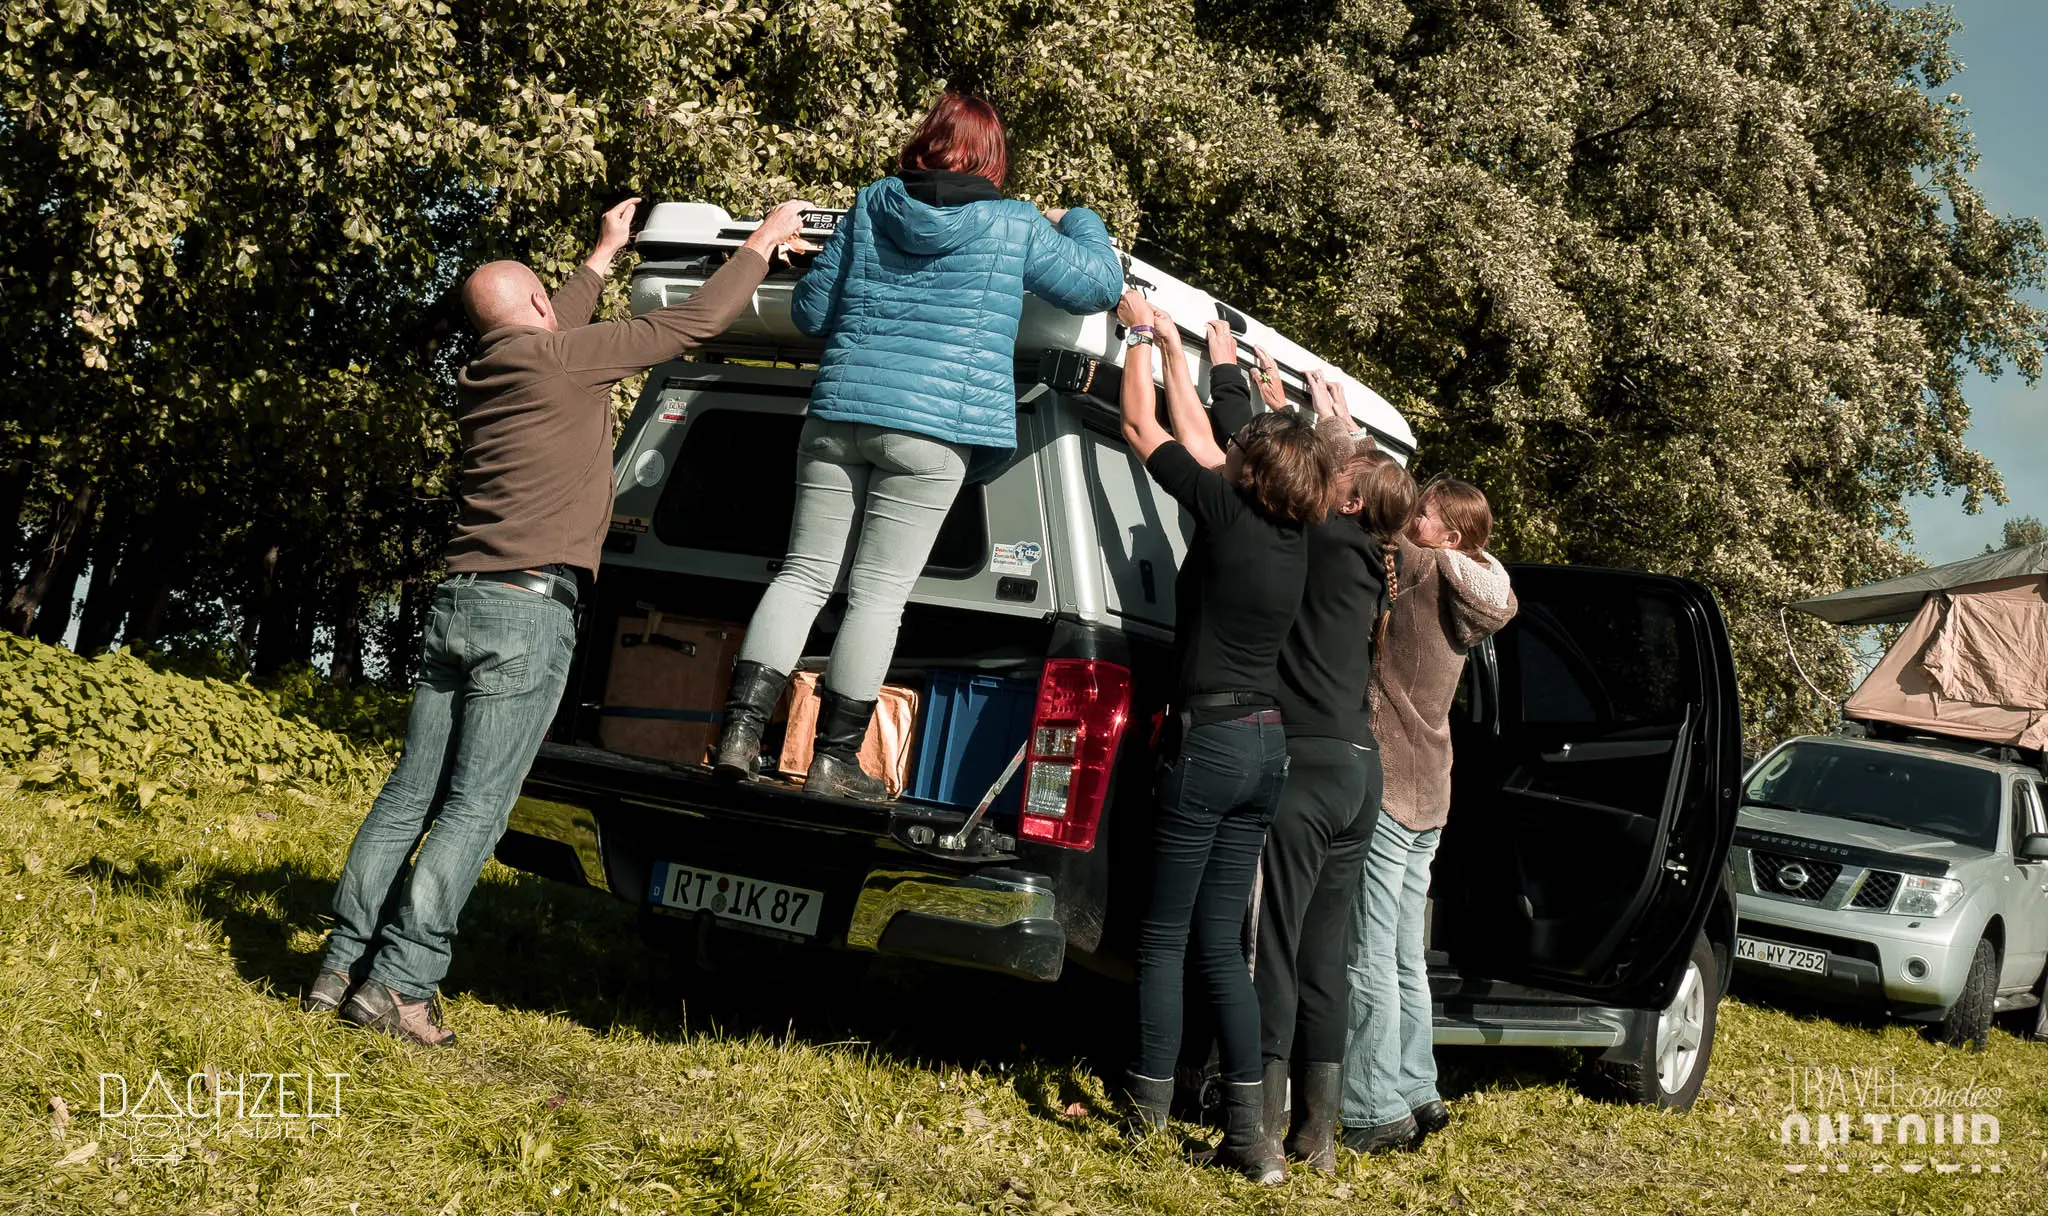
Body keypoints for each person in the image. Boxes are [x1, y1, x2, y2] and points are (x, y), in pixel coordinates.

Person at [303, 196, 817, 1045]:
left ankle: (341, 966)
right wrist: (761, 242)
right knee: (475, 809)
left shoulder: (488, 371)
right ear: (540, 308)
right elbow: (688, 325)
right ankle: (403, 985)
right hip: (527, 615)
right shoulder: (562, 359)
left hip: (461, 601)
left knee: (409, 797)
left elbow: (548, 325)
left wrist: (602, 255)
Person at [711, 93, 1125, 800]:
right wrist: (1076, 218)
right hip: (933, 432)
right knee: (877, 596)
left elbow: (811, 312)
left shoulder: (873, 203)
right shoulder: (1013, 222)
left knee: (803, 576)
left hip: (839, 416)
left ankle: (739, 737)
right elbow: (1099, 283)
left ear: (926, 142)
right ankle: (833, 761)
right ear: (992, 159)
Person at [1112, 290, 1343, 1184]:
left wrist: (1137, 332)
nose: (1230, 450)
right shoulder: (1293, 534)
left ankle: (1144, 1115)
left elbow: (1140, 427)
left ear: (1253, 471)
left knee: (1164, 937)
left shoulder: (1224, 508)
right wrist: (1181, 353)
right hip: (1266, 748)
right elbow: (1206, 442)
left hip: (1207, 741)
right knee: (1220, 944)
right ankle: (1252, 1136)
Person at [1202, 331, 1420, 1176]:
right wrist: (1321, 414)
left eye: (1340, 482)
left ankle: (1259, 1129)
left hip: (1307, 766)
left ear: (1351, 501)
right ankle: (1318, 1139)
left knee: (1276, 947)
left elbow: (1264, 463)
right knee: (1327, 955)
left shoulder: (1321, 538)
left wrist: (1241, 385)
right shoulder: (1371, 556)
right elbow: (1337, 469)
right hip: (1361, 774)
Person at [1340, 477, 1518, 1151]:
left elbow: (1368, 512)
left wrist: (1341, 437)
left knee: (1369, 952)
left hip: (1390, 785)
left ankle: (1372, 1104)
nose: (1412, 519)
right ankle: (1418, 1086)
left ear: (1451, 536)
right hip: (1432, 793)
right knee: (1405, 954)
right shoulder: (1479, 586)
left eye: (1425, 514)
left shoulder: (1423, 566)